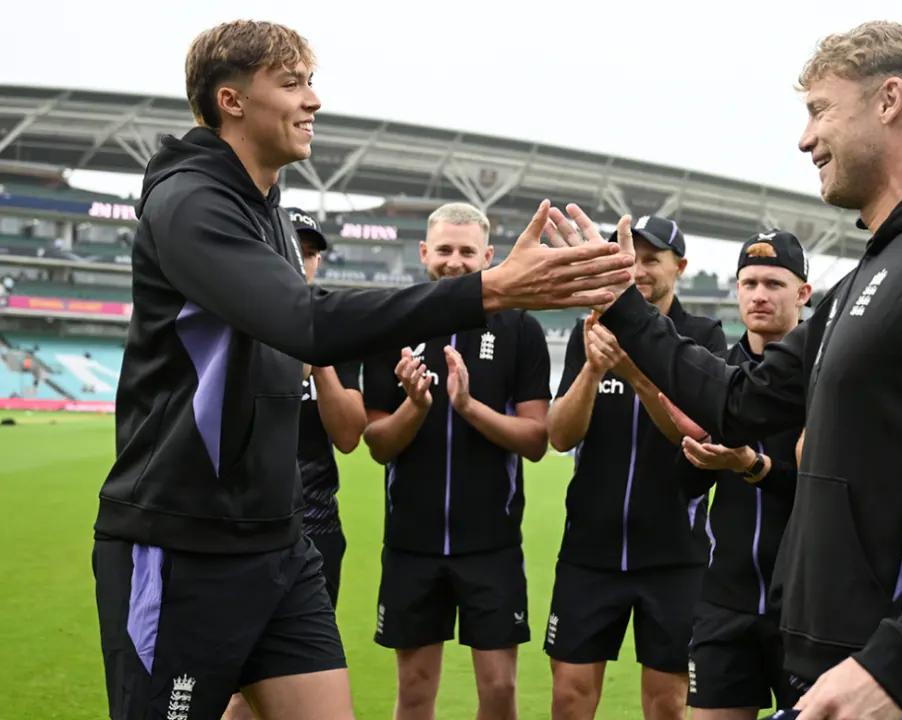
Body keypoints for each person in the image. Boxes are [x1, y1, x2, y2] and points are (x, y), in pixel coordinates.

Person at [91, 20, 632, 720]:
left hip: (276, 542)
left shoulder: (269, 213)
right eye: (292, 84)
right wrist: (489, 289)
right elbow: (306, 323)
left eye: (311, 82)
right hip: (182, 542)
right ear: (231, 100)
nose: (313, 100)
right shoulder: (190, 203)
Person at [582, 21, 902, 719]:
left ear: (889, 100)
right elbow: (740, 400)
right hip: (840, 670)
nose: (804, 139)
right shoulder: (872, 273)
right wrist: (624, 307)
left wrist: (893, 666)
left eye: (818, 110)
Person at [362, 202, 551, 720]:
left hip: (491, 543)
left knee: (498, 689)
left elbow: (536, 439)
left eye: (467, 252)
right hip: (411, 543)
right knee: (416, 688)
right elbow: (377, 442)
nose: (454, 261)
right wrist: (417, 406)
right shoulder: (389, 325)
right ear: (424, 252)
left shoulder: (518, 330)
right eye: (444, 249)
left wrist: (468, 407)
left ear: (488, 256)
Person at [544, 215, 725, 719]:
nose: (638, 271)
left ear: (680, 267)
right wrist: (594, 370)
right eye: (629, 259)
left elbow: (698, 436)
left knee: (666, 704)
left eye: (651, 260)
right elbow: (559, 435)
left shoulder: (703, 337)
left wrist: (638, 375)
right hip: (589, 549)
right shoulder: (595, 331)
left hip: (675, 555)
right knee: (570, 699)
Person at [222, 208, 367, 720]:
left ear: (318, 260)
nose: (298, 259)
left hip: (315, 530)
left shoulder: (333, 323)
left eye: (307, 251)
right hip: (238, 530)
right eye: (289, 246)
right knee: (236, 687)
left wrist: (317, 351)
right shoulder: (238, 316)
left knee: (293, 679)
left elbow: (349, 435)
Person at [677, 231, 809, 719]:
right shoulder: (718, 375)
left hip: (805, 607)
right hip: (725, 601)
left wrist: (755, 467)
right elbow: (685, 485)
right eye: (749, 282)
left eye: (774, 283)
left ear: (803, 294)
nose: (759, 295)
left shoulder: (828, 377)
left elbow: (830, 489)